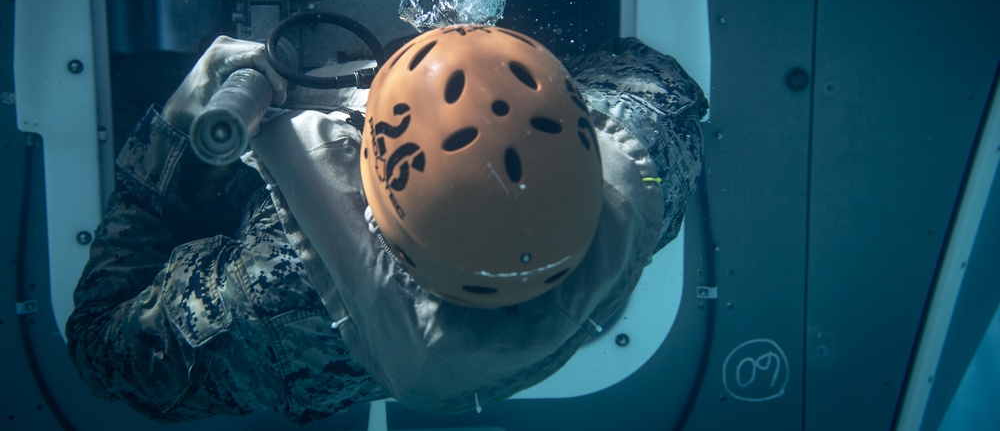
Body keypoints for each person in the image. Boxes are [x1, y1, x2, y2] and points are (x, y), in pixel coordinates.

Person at [66, 24, 707, 425]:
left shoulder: (273, 298)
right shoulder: (654, 154)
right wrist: (497, 100)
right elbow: (649, 80)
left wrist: (178, 133)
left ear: (370, 205)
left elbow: (99, 347)